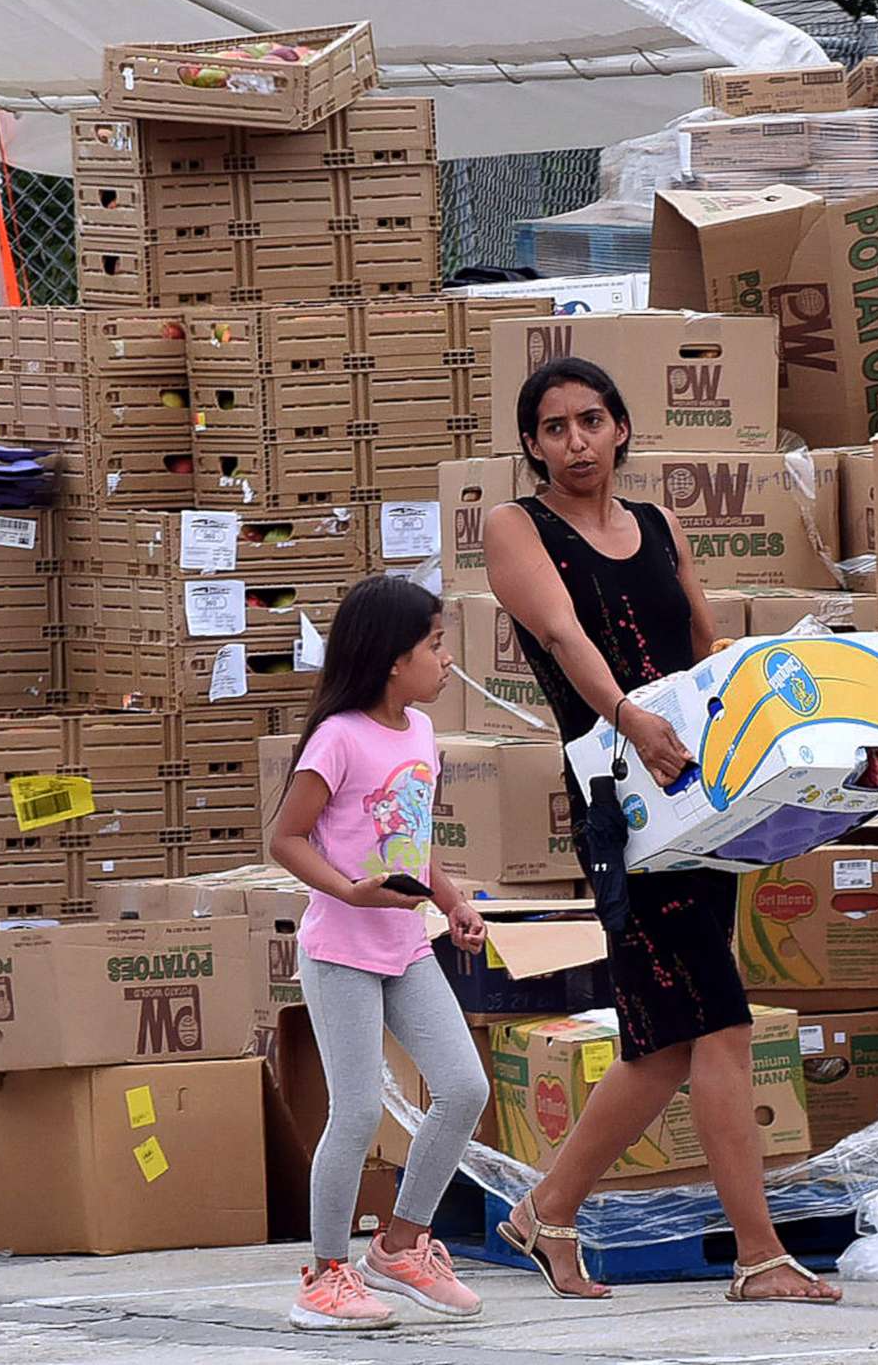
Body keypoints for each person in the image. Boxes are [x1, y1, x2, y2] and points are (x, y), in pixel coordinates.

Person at [481, 356, 843, 1306]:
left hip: (695, 788)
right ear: (531, 445)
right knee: (717, 1018)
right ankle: (759, 1255)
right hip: (622, 798)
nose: (575, 441)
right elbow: (563, 636)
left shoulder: (656, 524)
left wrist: (777, 721)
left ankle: (546, 1210)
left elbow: (702, 642)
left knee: (666, 1039)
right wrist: (630, 721)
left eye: (591, 421)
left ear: (622, 427)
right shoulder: (516, 528)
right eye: (554, 427)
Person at [267, 574, 494, 1332]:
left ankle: (400, 1244)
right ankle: (325, 1273)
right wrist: (349, 890)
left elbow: (414, 841)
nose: (446, 658)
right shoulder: (337, 737)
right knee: (359, 1109)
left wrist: (453, 900)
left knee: (463, 1088)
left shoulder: (421, 733)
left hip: (406, 945)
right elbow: (286, 838)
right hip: (341, 950)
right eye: (435, 644)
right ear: (394, 658)